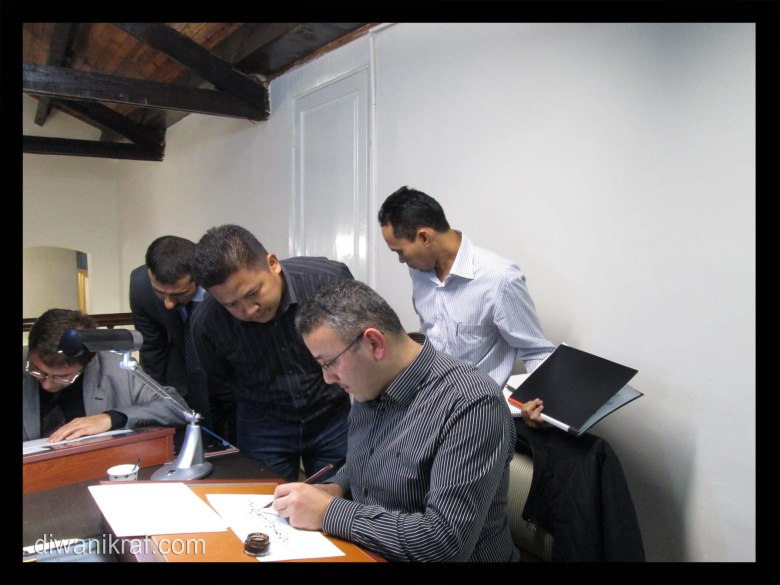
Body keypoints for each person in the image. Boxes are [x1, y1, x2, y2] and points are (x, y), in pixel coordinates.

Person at [272, 279, 520, 562]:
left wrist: (329, 512)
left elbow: (444, 544)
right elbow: (369, 460)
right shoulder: (371, 380)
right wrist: (336, 487)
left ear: (374, 344)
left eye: (329, 363)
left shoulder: (471, 404)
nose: (328, 378)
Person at [378, 186, 555, 426]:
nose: (401, 260)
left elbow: (537, 351)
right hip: (429, 408)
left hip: (480, 415)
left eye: (400, 252)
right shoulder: (419, 273)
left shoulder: (499, 279)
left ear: (424, 237)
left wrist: (542, 405)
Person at [190, 224, 353, 482]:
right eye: (232, 305)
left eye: (253, 293)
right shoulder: (207, 322)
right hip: (262, 425)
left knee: (340, 494)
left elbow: (356, 342)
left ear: (273, 263)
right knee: (265, 500)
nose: (249, 310)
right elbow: (219, 378)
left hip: (332, 416)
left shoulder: (326, 281)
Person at [129, 235, 236, 444]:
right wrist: (160, 400)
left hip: (230, 372)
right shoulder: (141, 285)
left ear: (198, 276)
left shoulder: (224, 282)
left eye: (179, 293)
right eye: (160, 293)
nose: (168, 303)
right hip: (184, 372)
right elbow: (152, 348)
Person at [23, 308, 189, 442]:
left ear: (86, 364)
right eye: (38, 371)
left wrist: (112, 418)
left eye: (62, 377)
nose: (47, 385)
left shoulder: (117, 368)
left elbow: (176, 409)